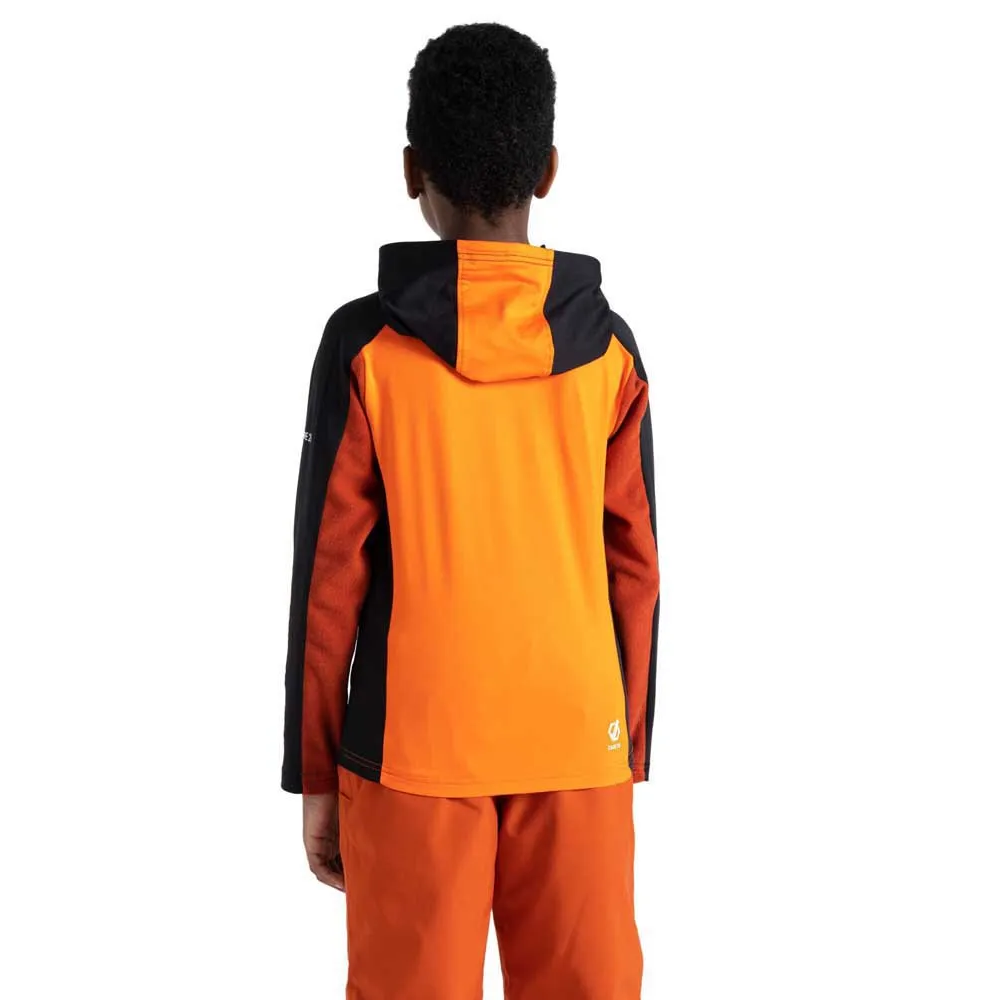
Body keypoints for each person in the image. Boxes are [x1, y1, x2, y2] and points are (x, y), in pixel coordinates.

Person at [281, 22, 659, 1000]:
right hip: (577, 739)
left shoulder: (365, 347)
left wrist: (316, 770)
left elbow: (329, 578)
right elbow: (637, 567)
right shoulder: (609, 351)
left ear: (412, 171)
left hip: (410, 747)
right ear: (549, 170)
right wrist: (626, 747)